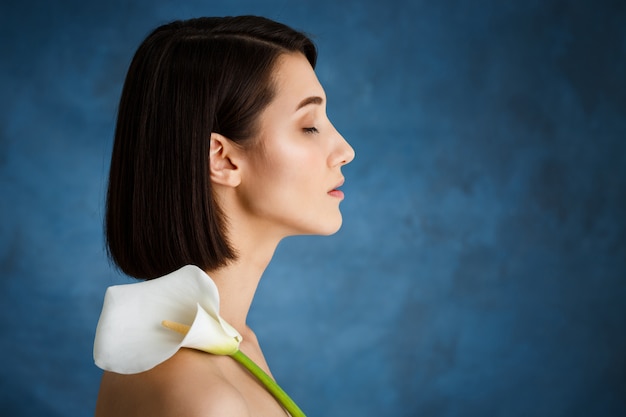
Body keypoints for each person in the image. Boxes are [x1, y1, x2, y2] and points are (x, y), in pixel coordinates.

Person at [94, 15, 355, 417]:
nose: (344, 150)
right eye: (309, 126)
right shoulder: (206, 398)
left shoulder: (234, 341)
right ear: (222, 158)